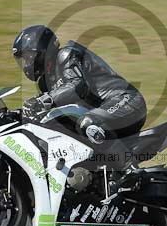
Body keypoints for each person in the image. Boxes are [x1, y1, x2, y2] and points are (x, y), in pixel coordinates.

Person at [12, 25, 147, 145]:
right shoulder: (45, 83)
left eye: (28, 57)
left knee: (88, 122)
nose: (26, 65)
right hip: (103, 113)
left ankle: (125, 166)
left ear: (42, 50)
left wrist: (44, 100)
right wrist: (20, 114)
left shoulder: (66, 55)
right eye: (23, 60)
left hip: (126, 100)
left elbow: (77, 86)